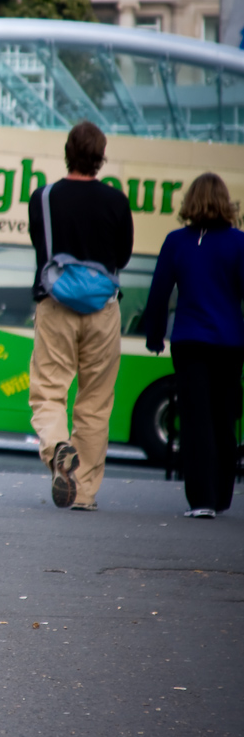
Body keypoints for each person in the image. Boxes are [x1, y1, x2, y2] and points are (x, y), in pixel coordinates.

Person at [28, 121, 134, 511]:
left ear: (68, 151)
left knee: (49, 389)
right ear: (100, 157)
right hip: (103, 310)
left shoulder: (44, 197)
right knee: (94, 401)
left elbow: (41, 248)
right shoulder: (116, 202)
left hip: (56, 305)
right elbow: (121, 257)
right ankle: (84, 493)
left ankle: (58, 449)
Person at [145, 172, 244, 519]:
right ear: (225, 203)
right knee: (223, 418)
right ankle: (222, 497)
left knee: (195, 419)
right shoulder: (239, 243)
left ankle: (200, 500)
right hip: (231, 343)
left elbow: (159, 294)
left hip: (189, 342)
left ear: (190, 202)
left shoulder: (176, 242)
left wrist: (155, 335)